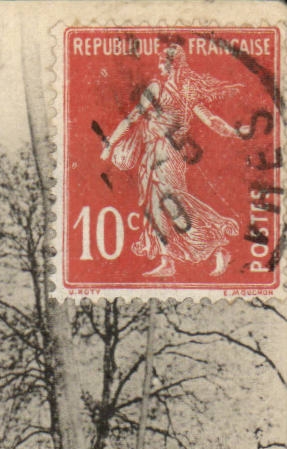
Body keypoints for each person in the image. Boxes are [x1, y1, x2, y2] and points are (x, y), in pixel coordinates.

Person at [100, 42, 250, 278]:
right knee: (154, 204)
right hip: (153, 153)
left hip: (167, 153)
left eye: (162, 62)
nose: (159, 66)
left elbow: (132, 118)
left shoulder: (160, 90)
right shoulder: (184, 93)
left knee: (173, 201)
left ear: (167, 66)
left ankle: (217, 246)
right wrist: (235, 132)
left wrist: (110, 144)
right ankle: (167, 259)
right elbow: (212, 121)